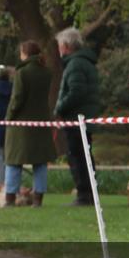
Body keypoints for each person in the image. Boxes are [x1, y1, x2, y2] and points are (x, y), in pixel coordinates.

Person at [4, 41, 58, 207]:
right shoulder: (46, 72)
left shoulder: (22, 73)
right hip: (41, 122)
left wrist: (9, 117)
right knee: (40, 163)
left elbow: (17, 99)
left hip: (20, 125)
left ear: (25, 54)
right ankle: (38, 199)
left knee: (14, 161)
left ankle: (10, 199)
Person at [53, 27, 101, 206]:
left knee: (77, 156)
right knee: (84, 156)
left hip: (76, 118)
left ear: (66, 46)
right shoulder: (84, 63)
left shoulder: (75, 65)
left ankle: (84, 194)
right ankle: (89, 193)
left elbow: (76, 91)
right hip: (83, 117)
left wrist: (59, 108)